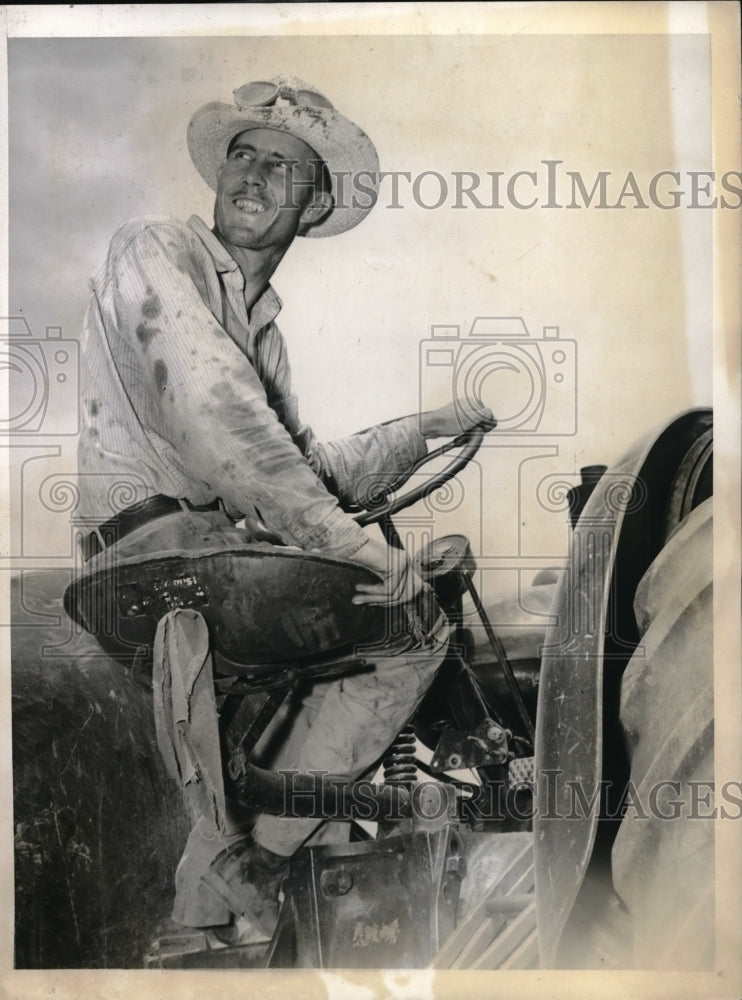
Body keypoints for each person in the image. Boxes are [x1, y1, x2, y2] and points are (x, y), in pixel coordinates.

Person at [76, 74, 493, 939]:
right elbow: (228, 429)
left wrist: (425, 429)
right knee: (411, 625)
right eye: (242, 156)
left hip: (209, 554)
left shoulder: (259, 326)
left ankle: (234, 882)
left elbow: (306, 470)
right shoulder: (155, 250)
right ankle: (249, 863)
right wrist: (376, 564)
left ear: (312, 206)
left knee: (393, 598)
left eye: (283, 167)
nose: (253, 177)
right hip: (158, 556)